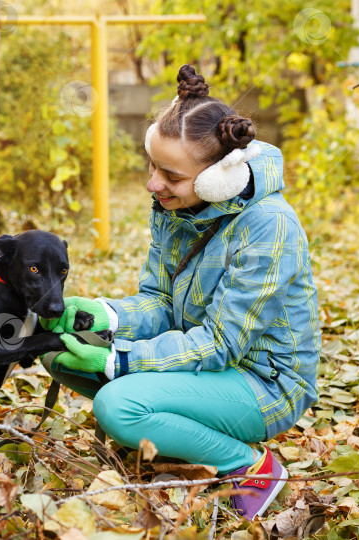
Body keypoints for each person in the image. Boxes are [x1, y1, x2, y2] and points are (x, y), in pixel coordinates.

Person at [41, 64, 321, 521]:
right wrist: (101, 316)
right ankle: (179, 437)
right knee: (58, 352)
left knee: (118, 405)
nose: (154, 184)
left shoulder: (269, 226)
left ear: (219, 180)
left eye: (170, 175)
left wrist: (118, 360)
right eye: (152, 165)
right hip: (205, 363)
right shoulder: (174, 207)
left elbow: (221, 343)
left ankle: (249, 466)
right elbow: (161, 302)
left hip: (264, 383)